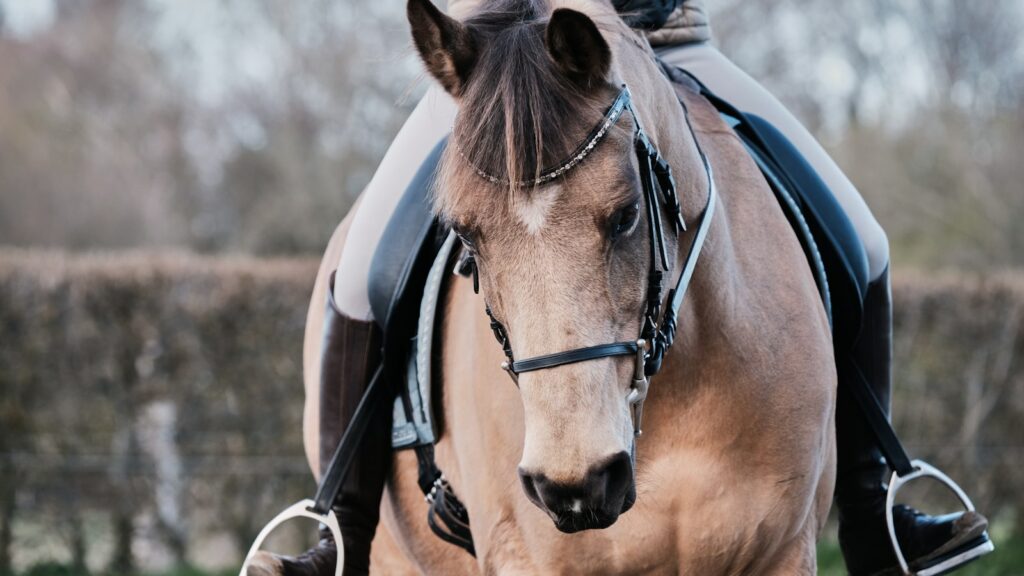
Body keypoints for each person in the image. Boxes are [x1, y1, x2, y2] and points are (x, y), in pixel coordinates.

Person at [287, 1, 991, 575]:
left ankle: (873, 510)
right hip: (495, 59)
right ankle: (340, 531)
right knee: (362, 272)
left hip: (663, 39)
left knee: (865, 239)